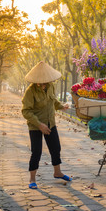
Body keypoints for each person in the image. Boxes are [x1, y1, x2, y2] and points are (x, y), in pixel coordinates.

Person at [22, 61, 71, 189]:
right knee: (36, 152)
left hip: (50, 123)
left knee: (56, 148)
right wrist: (39, 125)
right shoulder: (30, 91)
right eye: (41, 81)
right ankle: (32, 179)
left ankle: (57, 172)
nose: (43, 83)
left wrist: (61, 106)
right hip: (36, 126)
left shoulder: (51, 87)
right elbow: (26, 111)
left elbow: (53, 101)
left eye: (45, 81)